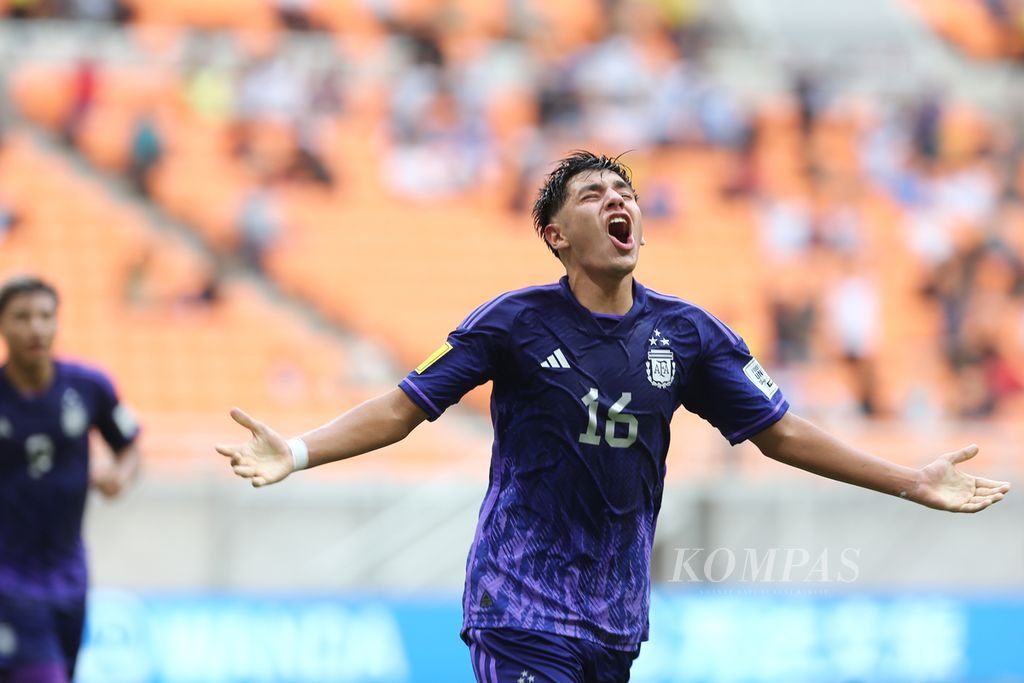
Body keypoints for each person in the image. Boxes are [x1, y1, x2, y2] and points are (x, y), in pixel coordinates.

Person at [216, 151, 1011, 682]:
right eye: (593, 195)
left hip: (615, 620)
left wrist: (909, 479)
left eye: (623, 191)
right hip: (517, 602)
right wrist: (300, 448)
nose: (617, 199)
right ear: (557, 236)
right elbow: (404, 405)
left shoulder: (689, 334)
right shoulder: (513, 323)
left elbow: (782, 430)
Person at [0, 276, 141, 683]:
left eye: (46, 316)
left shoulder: (89, 387)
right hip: (8, 580)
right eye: (22, 317)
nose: (36, 328)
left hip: (69, 576)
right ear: (3, 326)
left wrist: (120, 474)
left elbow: (129, 444)